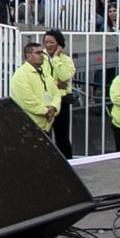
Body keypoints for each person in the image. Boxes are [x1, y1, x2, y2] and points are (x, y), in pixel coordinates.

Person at [42, 29, 76, 159]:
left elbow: (65, 76)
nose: (48, 45)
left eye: (51, 42)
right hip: (45, 101)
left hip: (62, 102)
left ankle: (69, 163)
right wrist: (56, 84)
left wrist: (56, 58)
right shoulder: (41, 59)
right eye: (46, 42)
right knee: (45, 135)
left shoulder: (66, 60)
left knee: (62, 137)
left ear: (59, 44)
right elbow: (42, 80)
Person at [9, 42, 57, 131]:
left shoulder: (44, 72)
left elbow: (56, 93)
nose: (42, 55)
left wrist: (54, 107)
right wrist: (47, 111)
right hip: (29, 126)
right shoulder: (20, 75)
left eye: (42, 53)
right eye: (38, 53)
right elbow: (28, 100)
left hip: (46, 125)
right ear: (28, 56)